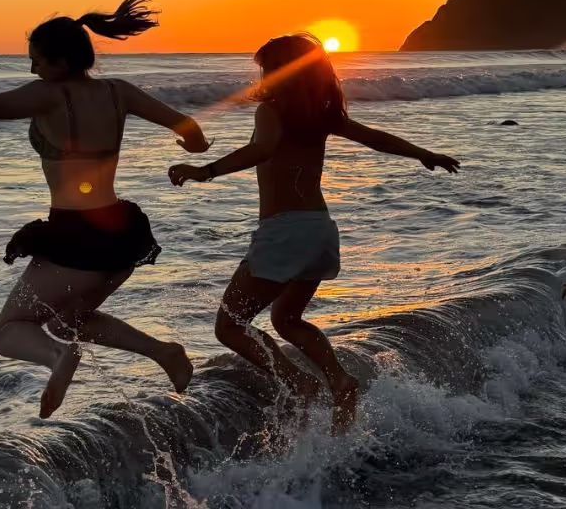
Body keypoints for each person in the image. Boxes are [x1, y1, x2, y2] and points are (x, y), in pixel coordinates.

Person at [0, 0, 211, 418]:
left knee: (8, 332)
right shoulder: (120, 92)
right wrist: (194, 145)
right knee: (69, 318)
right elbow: (188, 127)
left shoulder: (50, 94)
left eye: (38, 61)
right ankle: (164, 352)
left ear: (61, 63)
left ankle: (59, 358)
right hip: (121, 234)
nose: (32, 69)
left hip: (76, 235)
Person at [168, 33, 460, 432]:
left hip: (285, 231)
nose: (263, 75)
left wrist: (206, 171)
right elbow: (372, 137)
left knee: (230, 325)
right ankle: (339, 379)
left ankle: (299, 383)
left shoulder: (271, 111)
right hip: (320, 230)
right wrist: (424, 153)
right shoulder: (322, 114)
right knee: (287, 318)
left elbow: (264, 149)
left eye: (268, 68)